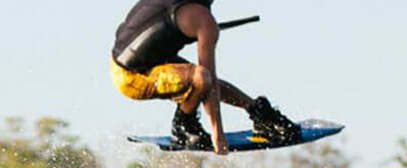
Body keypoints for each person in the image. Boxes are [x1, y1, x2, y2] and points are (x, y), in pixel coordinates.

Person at [111, 0, 301, 154]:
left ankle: (258, 112)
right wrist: (218, 134)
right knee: (201, 78)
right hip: (132, 76)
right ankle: (183, 126)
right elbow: (207, 84)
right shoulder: (203, 20)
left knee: (201, 79)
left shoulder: (197, 14)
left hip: (140, 60)